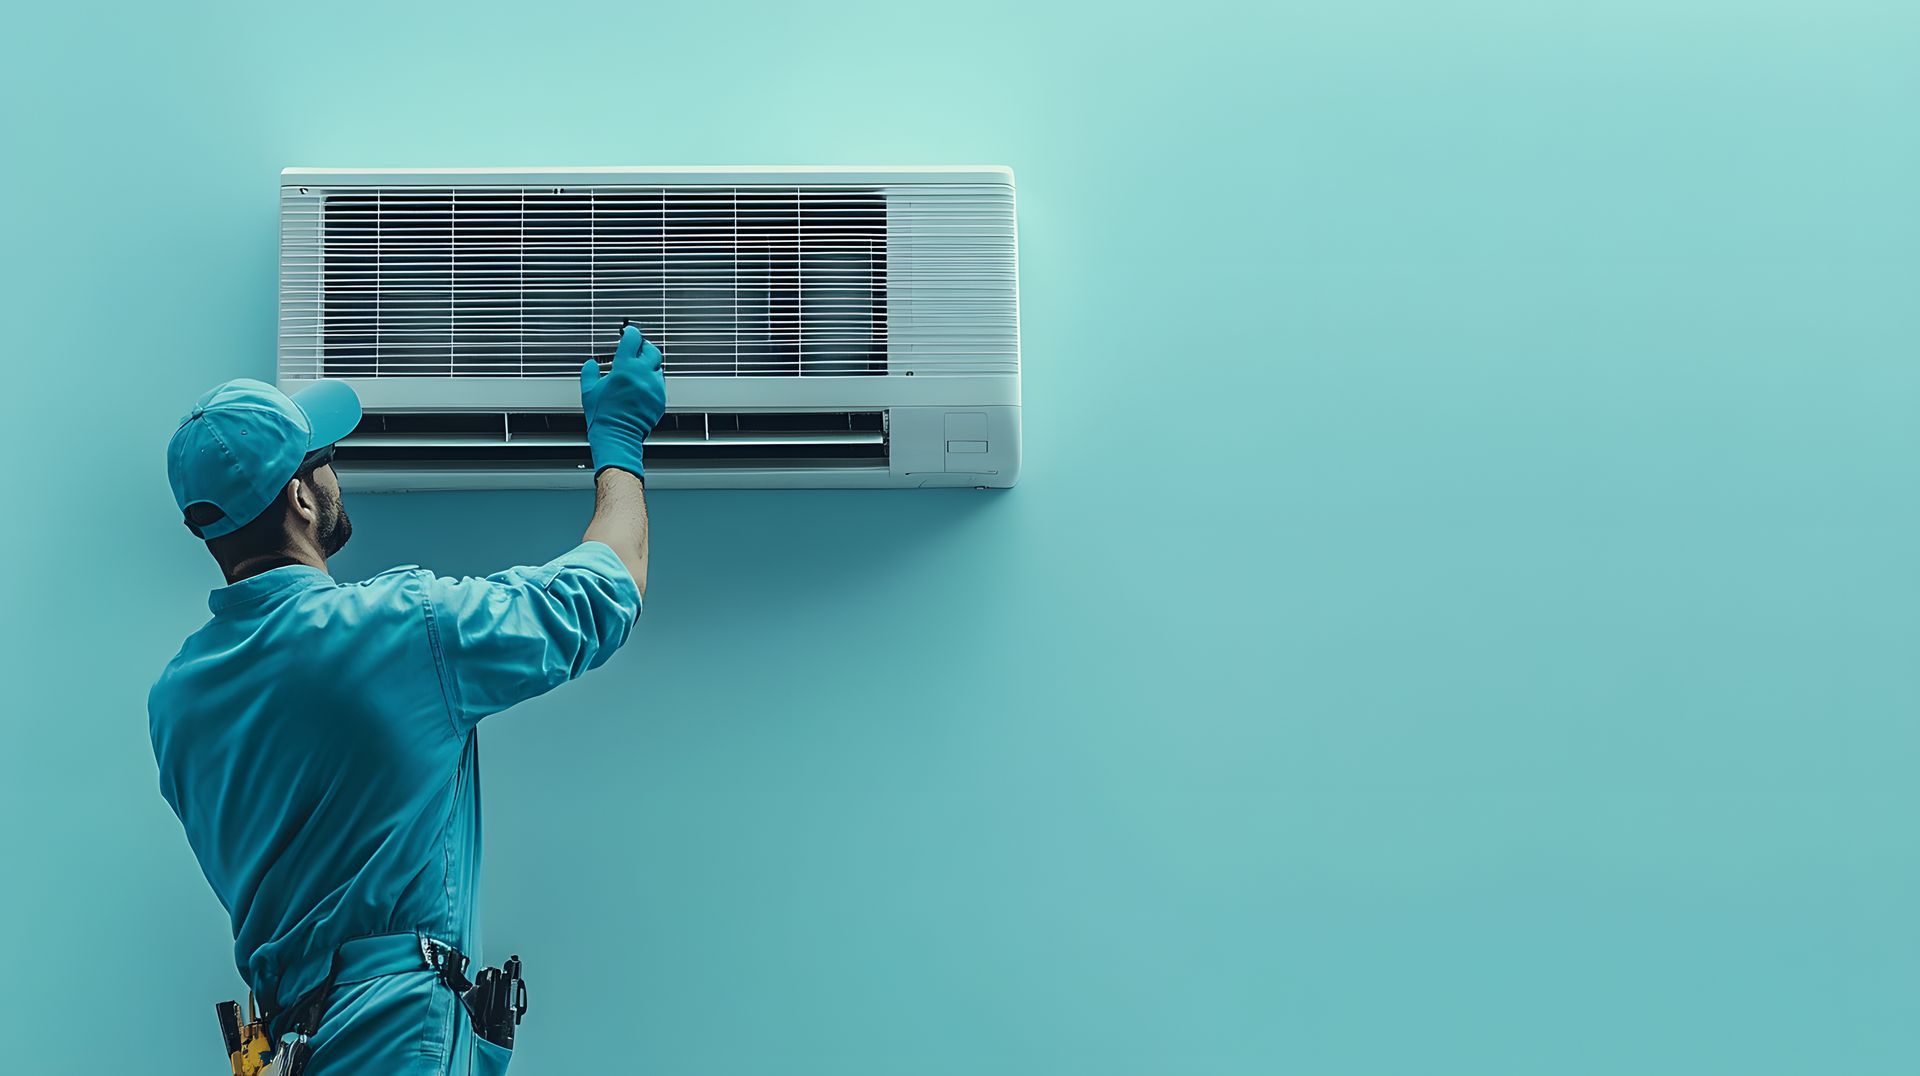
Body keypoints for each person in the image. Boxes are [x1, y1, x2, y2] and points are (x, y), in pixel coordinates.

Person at [149, 325, 667, 1074]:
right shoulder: (396, 631)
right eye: (324, 462)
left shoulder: (176, 704)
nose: (335, 475)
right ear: (300, 495)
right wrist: (618, 446)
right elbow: (604, 593)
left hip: (289, 1044)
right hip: (389, 1032)